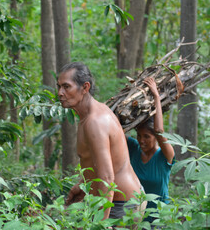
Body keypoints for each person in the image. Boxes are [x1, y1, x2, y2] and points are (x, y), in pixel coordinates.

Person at [57, 62, 145, 221]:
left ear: (85, 87)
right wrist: (82, 187)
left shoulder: (95, 122)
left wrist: (101, 224)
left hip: (122, 205)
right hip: (114, 201)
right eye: (59, 87)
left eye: (66, 87)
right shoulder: (86, 117)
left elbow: (107, 179)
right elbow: (94, 164)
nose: (60, 93)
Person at [126, 77, 175, 223]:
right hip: (135, 217)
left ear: (155, 137)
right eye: (139, 135)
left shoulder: (165, 155)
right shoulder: (134, 149)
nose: (141, 140)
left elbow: (159, 129)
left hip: (159, 219)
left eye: (147, 136)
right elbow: (116, 129)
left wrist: (156, 97)